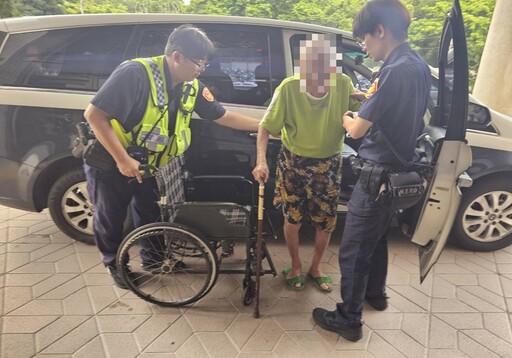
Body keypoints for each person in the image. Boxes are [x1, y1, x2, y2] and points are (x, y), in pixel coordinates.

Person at [83, 24, 260, 289]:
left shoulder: (191, 86)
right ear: (177, 56)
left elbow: (222, 115)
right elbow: (94, 115)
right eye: (199, 63)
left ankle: (153, 259)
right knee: (110, 217)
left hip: (150, 164)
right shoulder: (135, 73)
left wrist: (265, 126)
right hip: (112, 161)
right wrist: (122, 159)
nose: (201, 69)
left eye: (204, 64)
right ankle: (114, 264)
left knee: (151, 213)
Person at [312, 0, 431, 341]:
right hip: (396, 175)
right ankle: (375, 295)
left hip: (377, 175)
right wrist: (367, 97)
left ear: (381, 31)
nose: (363, 46)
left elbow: (357, 130)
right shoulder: (417, 65)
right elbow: (401, 106)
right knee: (377, 239)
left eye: (364, 38)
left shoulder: (393, 70)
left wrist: (347, 117)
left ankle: (348, 319)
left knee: (354, 249)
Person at [252, 34, 360, 293]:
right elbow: (265, 128)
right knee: (293, 220)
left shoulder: (343, 84)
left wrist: (367, 100)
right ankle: (296, 265)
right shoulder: (289, 87)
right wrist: (261, 162)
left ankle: (316, 267)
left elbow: (360, 112)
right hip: (294, 163)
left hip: (329, 164)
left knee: (326, 221)